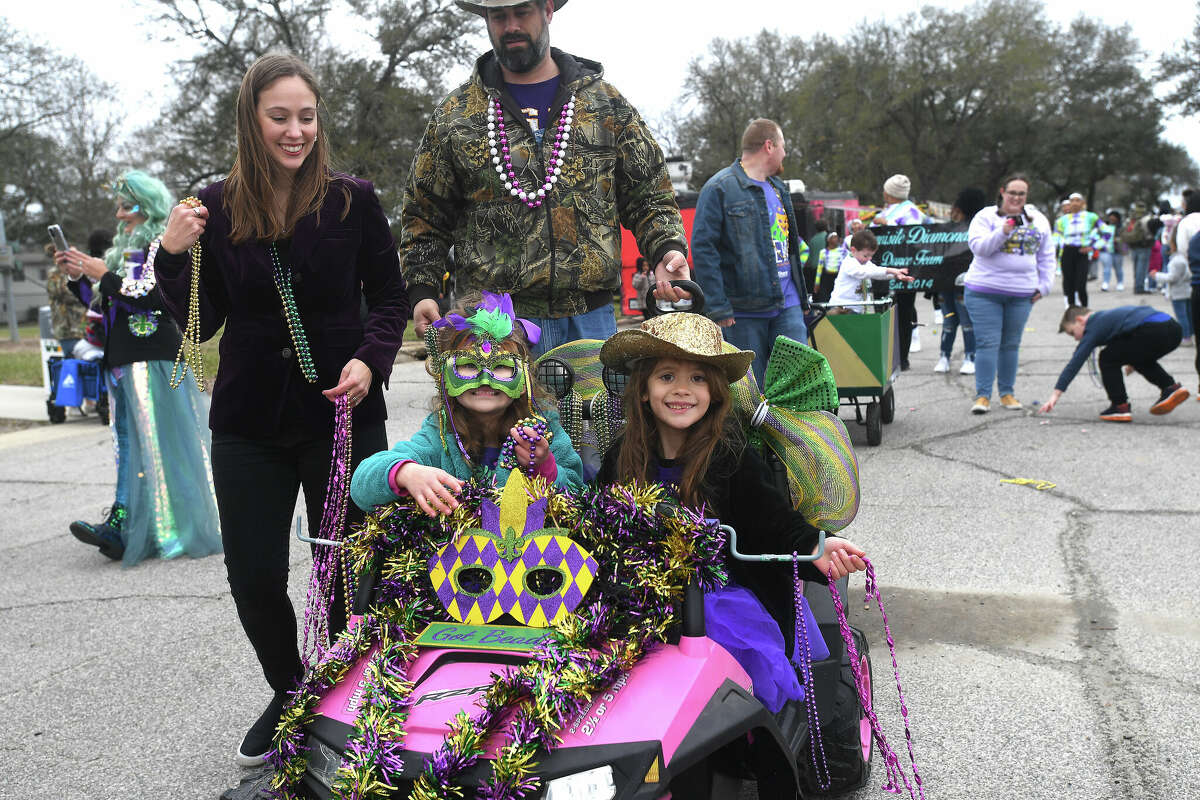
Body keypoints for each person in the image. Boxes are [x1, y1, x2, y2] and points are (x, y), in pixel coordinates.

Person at [153, 53, 410, 767]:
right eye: (279, 117)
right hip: (249, 422)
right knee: (255, 574)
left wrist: (370, 360)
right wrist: (171, 258)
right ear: (251, 120)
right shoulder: (215, 204)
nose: (295, 131)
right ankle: (291, 688)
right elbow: (200, 326)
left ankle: (338, 688)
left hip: (342, 414)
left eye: (305, 116)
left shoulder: (353, 201)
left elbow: (389, 299)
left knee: (349, 565)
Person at [595, 312, 867, 715]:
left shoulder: (730, 458)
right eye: (667, 377)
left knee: (729, 653)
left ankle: (746, 750)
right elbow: (597, 517)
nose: (682, 390)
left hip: (721, 596)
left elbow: (773, 523)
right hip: (639, 596)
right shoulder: (623, 455)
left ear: (716, 392)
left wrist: (816, 547)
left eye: (698, 379)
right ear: (643, 390)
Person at [401, 0, 690, 357]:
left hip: (590, 320)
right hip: (492, 324)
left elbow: (650, 196)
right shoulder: (456, 116)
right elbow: (423, 216)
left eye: (521, 12)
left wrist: (668, 251)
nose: (510, 26)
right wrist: (423, 291)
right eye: (498, 16)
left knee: (592, 415)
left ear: (548, 10)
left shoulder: (604, 105)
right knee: (501, 416)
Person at [53, 171, 221, 566]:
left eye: (126, 206)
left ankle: (160, 526)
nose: (119, 214)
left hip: (152, 357)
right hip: (125, 359)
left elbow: (150, 295)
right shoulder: (122, 250)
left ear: (146, 207)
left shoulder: (160, 245)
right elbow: (104, 304)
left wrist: (100, 273)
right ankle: (126, 523)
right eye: (119, 206)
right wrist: (80, 277)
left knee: (160, 442)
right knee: (128, 441)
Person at [351, 291, 584, 514]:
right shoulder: (440, 434)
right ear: (444, 375)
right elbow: (361, 485)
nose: (484, 380)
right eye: (469, 365)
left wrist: (544, 467)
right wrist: (406, 473)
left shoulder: (544, 428)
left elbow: (579, 497)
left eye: (501, 366)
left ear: (524, 378)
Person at [692, 118, 810, 387]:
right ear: (769, 146)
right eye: (783, 146)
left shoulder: (779, 188)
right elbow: (703, 248)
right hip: (743, 310)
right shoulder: (719, 188)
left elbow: (790, 248)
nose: (785, 153)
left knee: (798, 386)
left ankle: (793, 431)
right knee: (747, 391)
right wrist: (718, 306)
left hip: (786, 304)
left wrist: (801, 299)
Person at [962, 174, 1055, 415]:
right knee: (987, 343)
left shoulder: (1038, 220)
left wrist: (1044, 286)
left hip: (1022, 294)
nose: (1016, 198)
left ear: (1026, 196)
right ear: (1002, 192)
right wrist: (1003, 231)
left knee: (1011, 345)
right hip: (984, 291)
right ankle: (983, 396)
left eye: (1021, 194)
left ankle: (1007, 394)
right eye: (1012, 192)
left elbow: (1046, 256)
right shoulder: (985, 217)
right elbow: (979, 248)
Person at [1038, 306, 1189, 422]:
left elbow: (1075, 362)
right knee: (1137, 358)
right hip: (1174, 329)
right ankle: (1171, 388)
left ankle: (1120, 406)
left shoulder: (1093, 326)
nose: (1076, 339)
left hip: (1153, 330)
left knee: (1107, 358)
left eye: (1072, 333)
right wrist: (1133, 360)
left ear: (1080, 320)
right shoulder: (1108, 317)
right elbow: (1131, 333)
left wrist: (1056, 394)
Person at [872, 174, 928, 368]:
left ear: (891, 193)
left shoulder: (912, 212)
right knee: (883, 311)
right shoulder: (887, 210)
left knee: (903, 313)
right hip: (884, 269)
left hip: (904, 269)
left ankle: (902, 357)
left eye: (886, 190)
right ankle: (885, 355)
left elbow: (913, 237)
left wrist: (887, 225)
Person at [936, 187, 986, 375]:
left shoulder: (979, 226)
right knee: (949, 321)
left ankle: (970, 357)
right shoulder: (948, 228)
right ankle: (944, 356)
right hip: (946, 283)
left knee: (967, 322)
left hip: (968, 284)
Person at [827, 229, 914, 311]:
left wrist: (895, 275)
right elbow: (865, 272)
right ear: (853, 250)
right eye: (866, 255)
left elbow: (875, 271)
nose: (868, 259)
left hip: (855, 309)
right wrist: (890, 270)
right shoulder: (849, 263)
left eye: (871, 256)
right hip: (840, 308)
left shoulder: (864, 262)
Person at [1053, 192, 1100, 308]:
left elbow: (1107, 232)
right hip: (1067, 252)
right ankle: (1071, 309)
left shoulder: (1091, 217)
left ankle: (1085, 308)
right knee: (1069, 283)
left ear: (1083, 203)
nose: (1074, 203)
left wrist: (1093, 247)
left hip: (1082, 252)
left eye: (1077, 200)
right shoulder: (1061, 221)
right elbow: (1055, 239)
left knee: (1081, 284)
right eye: (1072, 201)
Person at [1154, 229, 1192, 346]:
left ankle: (1186, 336)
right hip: (1186, 291)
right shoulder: (1184, 258)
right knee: (1188, 315)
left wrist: (1156, 275)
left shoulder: (1177, 261)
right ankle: (1190, 333)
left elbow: (1172, 277)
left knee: (1181, 316)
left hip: (1178, 293)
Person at [1122, 202, 1155, 294]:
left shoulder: (1130, 218)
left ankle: (1137, 285)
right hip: (1144, 246)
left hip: (1133, 246)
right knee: (1142, 268)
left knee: (1136, 268)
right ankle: (1139, 287)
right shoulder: (1147, 218)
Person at [1096, 210, 1123, 292]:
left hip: (1117, 250)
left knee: (1118, 268)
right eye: (1111, 216)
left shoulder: (1121, 227)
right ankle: (1105, 283)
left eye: (1114, 216)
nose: (1112, 218)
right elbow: (1098, 235)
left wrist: (1118, 240)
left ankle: (1120, 283)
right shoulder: (1104, 226)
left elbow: (1124, 237)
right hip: (1105, 250)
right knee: (1106, 268)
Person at [812, 230, 842, 303]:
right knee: (825, 298)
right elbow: (819, 269)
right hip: (826, 278)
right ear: (828, 240)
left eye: (837, 237)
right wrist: (817, 283)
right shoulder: (823, 252)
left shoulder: (842, 251)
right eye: (834, 237)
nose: (836, 239)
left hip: (838, 277)